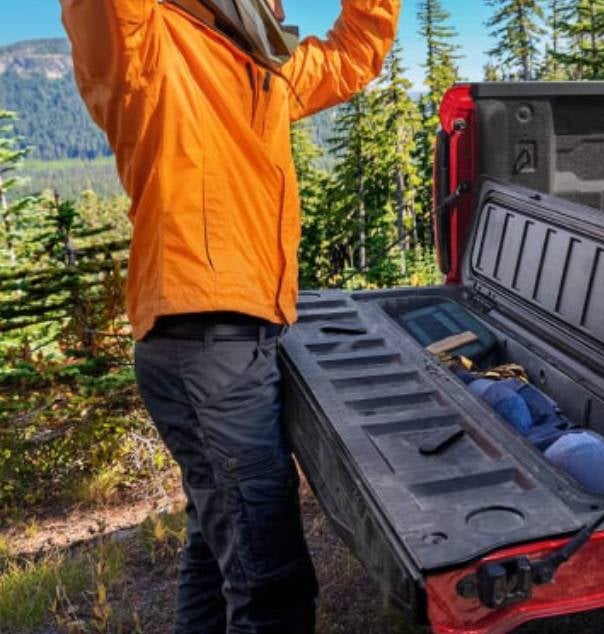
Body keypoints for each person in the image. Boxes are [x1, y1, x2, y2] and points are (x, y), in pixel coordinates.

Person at [59, 1, 400, 631]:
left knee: (217, 550)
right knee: (271, 584)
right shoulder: (146, 40)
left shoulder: (262, 59)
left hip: (237, 339)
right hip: (202, 342)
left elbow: (354, 57)